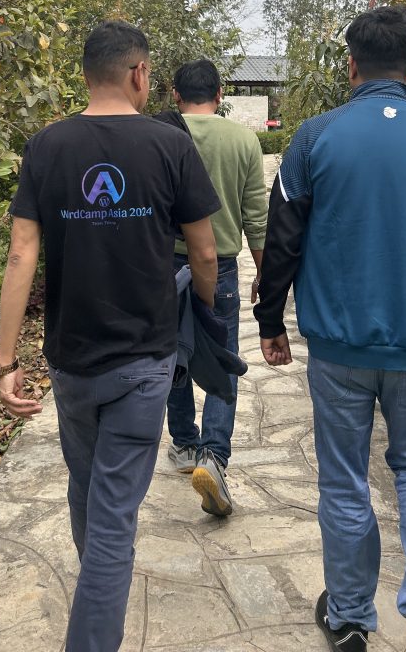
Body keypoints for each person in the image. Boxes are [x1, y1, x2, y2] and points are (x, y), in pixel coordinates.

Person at [254, 5, 406, 652]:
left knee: (343, 478)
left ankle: (352, 616)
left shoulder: (314, 138)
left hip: (339, 346)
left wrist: (270, 319)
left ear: (351, 66)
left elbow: (284, 238)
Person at [0, 21, 221, 652]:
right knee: (114, 516)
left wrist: (5, 359)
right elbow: (203, 252)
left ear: (86, 73)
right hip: (144, 359)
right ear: (139, 73)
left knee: (86, 483)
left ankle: (96, 577)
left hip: (72, 359)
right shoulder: (169, 147)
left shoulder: (47, 146)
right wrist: (203, 312)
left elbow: (21, 254)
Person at [164, 58, 268, 517]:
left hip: (164, 266)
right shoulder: (243, 140)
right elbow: (256, 218)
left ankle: (184, 444)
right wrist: (265, 273)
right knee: (223, 360)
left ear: (174, 94)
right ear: (220, 94)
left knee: (174, 354)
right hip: (221, 265)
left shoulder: (158, 136)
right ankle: (214, 456)